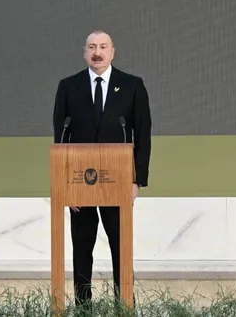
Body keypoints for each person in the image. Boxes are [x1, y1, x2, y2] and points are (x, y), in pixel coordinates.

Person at [52, 30, 152, 307]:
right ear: (84, 53)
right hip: (79, 183)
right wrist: (65, 185)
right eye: (92, 47)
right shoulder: (68, 86)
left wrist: (136, 181)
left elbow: (142, 135)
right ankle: (83, 307)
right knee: (82, 249)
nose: (98, 52)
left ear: (112, 52)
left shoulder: (132, 85)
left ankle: (124, 306)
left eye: (103, 47)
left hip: (118, 181)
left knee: (121, 248)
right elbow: (61, 137)